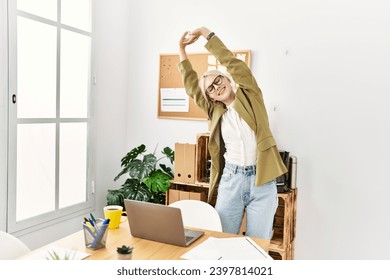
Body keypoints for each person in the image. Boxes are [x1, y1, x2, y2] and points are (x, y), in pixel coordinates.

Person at [178, 26, 287, 239]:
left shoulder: (251, 96)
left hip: (262, 180)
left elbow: (232, 62)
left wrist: (204, 33)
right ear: (211, 98)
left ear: (228, 80)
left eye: (218, 80)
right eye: (210, 88)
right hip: (231, 179)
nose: (216, 87)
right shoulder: (215, 111)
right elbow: (192, 87)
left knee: (257, 244)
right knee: (223, 239)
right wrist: (181, 49)